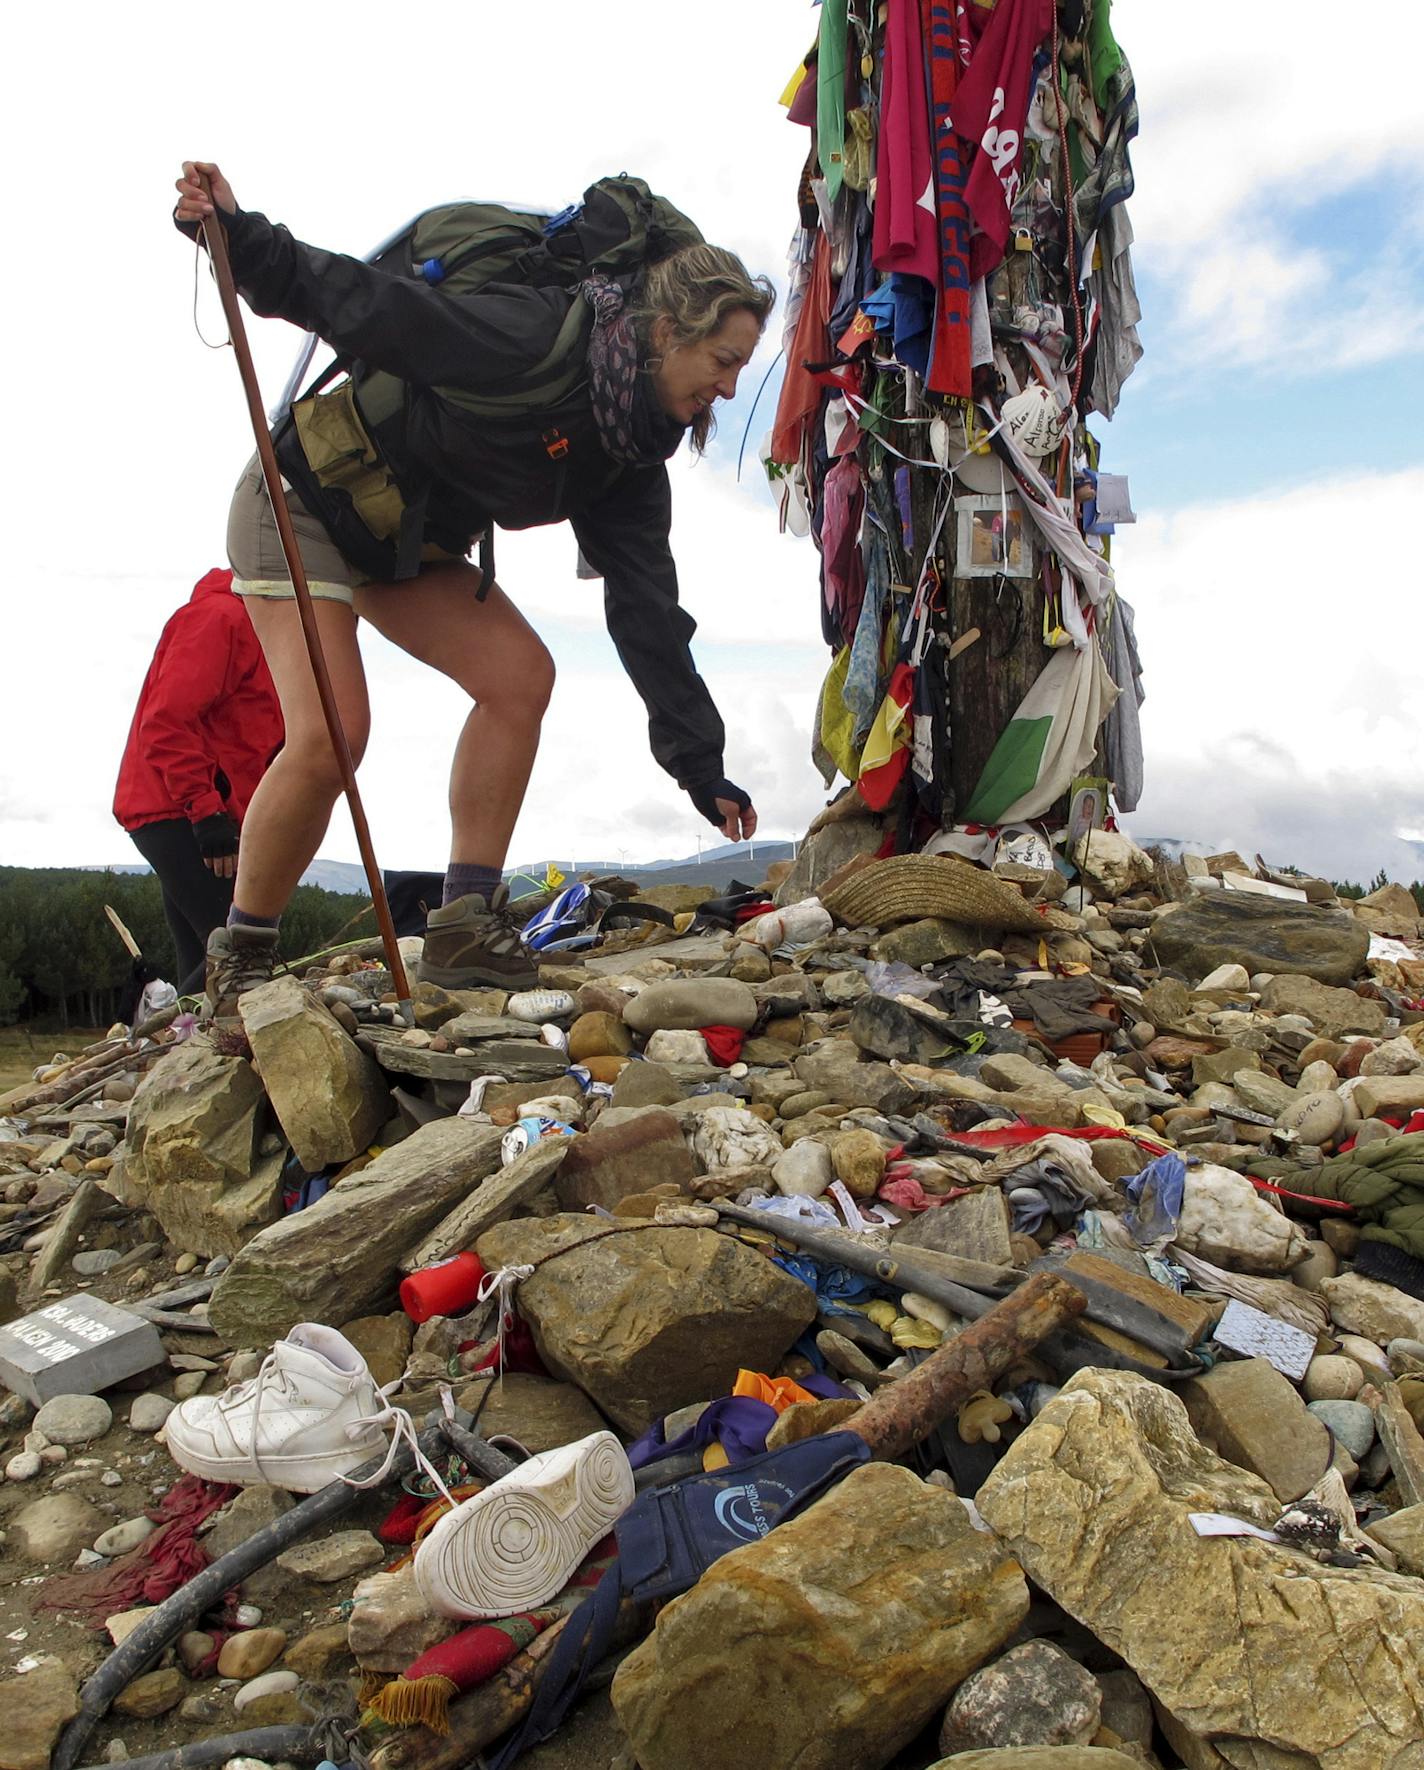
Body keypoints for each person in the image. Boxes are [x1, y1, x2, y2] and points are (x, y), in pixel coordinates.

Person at [173, 163, 771, 1014]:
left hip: (404, 541)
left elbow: (648, 610)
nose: (731, 385)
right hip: (302, 501)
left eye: (743, 367)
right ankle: (243, 954)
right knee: (334, 734)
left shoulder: (629, 452)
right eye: (722, 359)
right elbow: (381, 313)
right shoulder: (532, 337)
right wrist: (247, 245)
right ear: (667, 330)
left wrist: (697, 761)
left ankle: (461, 926)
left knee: (520, 677)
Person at [113, 567, 284, 993]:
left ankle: (176, 1050)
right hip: (182, 810)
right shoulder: (220, 618)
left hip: (208, 812)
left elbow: (256, 739)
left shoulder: (271, 634)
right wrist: (207, 811)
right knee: (236, 953)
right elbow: (167, 721)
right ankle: (167, 1047)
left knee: (206, 953)